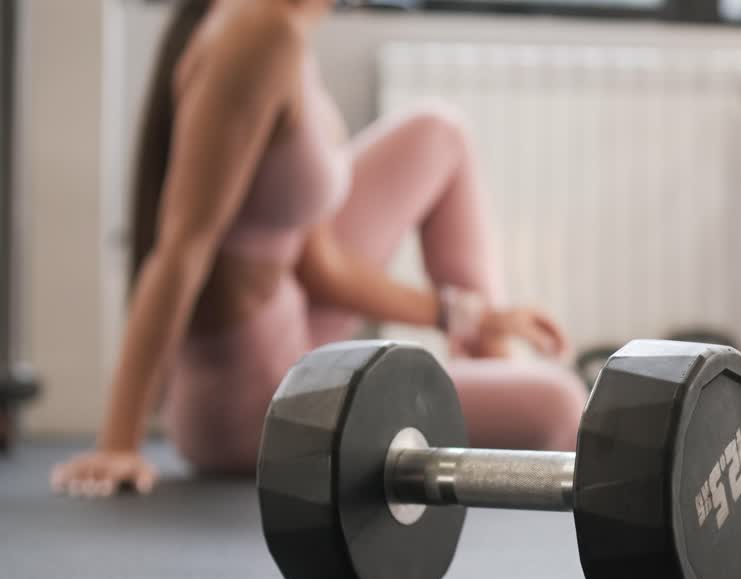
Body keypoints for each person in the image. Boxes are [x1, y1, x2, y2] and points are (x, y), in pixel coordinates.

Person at [51, 0, 587, 498]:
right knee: (560, 403)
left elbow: (321, 267)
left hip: (297, 334)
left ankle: (489, 378)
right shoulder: (258, 32)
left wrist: (472, 318)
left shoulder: (287, 28)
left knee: (439, 133)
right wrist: (119, 444)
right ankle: (494, 410)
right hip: (259, 405)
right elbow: (181, 248)